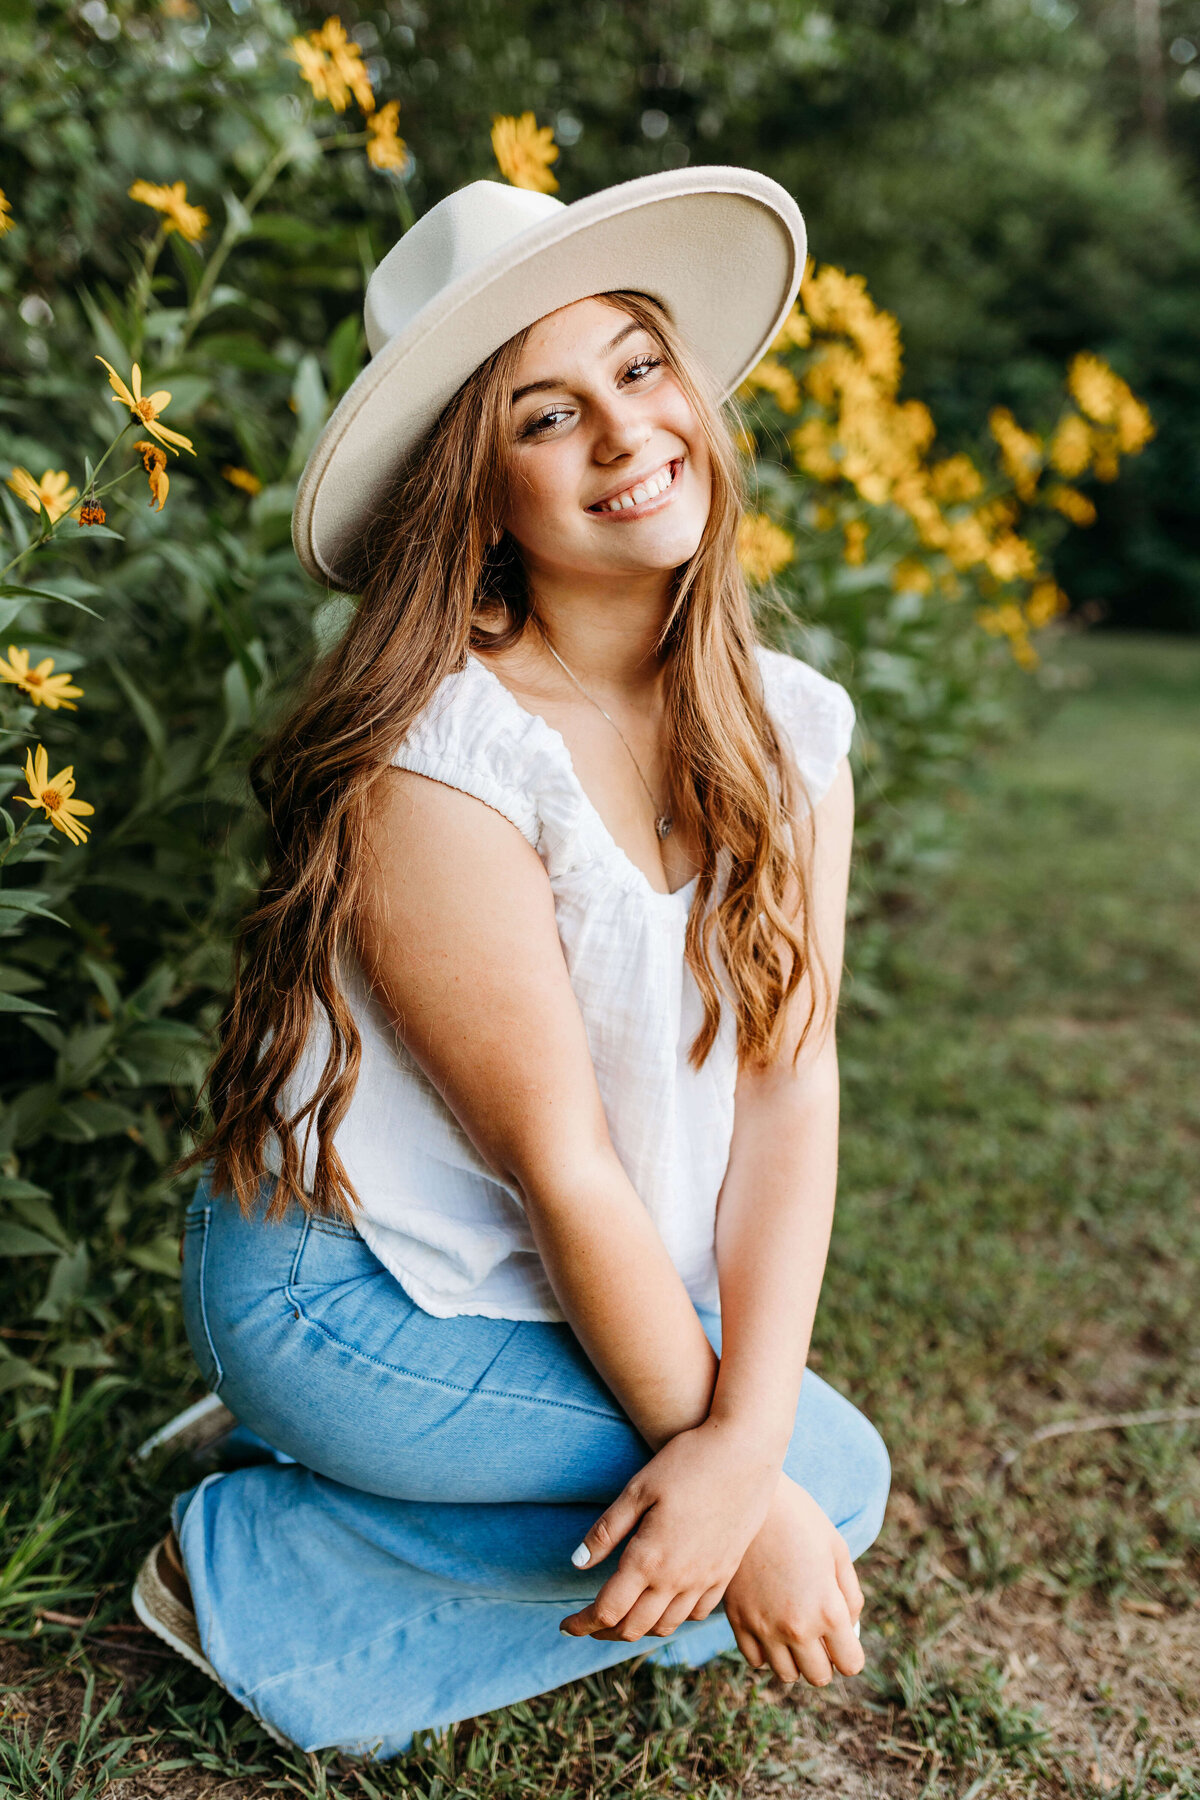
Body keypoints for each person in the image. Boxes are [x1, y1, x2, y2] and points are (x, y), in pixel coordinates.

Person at [132, 166, 891, 1759]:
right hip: (352, 1293)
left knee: (805, 1472)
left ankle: (369, 1514)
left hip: (547, 1274)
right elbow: (562, 1166)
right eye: (543, 420)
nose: (624, 434)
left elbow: (792, 1087)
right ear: (478, 497)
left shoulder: (795, 726)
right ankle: (254, 1565)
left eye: (636, 365)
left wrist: (743, 1438)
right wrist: (747, 1486)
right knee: (813, 1496)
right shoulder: (440, 756)